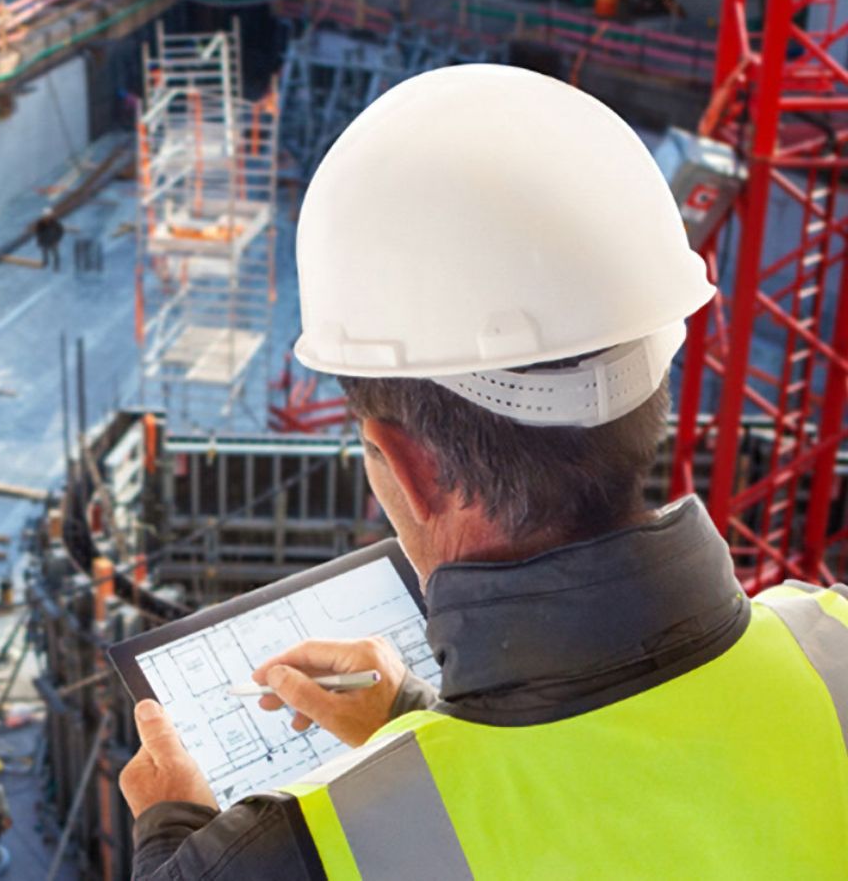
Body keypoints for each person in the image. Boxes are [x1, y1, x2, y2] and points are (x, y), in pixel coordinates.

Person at [119, 64, 848, 878]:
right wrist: (412, 720)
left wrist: (174, 833)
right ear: (652, 378)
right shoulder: (837, 647)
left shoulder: (292, 855)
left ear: (410, 469)